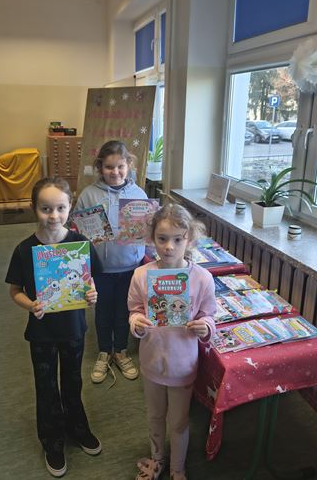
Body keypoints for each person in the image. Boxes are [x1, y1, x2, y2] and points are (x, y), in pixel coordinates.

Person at [5, 177, 102, 478]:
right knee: (46, 387)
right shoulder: (25, 250)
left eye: (60, 208)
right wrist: (29, 304)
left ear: (70, 206)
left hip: (73, 328)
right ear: (34, 208)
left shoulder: (80, 244)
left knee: (73, 381)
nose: (53, 215)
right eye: (45, 208)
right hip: (42, 333)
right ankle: (52, 440)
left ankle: (77, 427)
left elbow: (90, 281)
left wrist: (92, 293)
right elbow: (15, 291)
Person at [128, 203, 216, 480]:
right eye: (162, 238)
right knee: (154, 417)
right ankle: (157, 460)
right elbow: (134, 310)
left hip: (183, 365)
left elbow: (209, 315)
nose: (169, 247)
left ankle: (178, 468)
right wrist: (136, 323)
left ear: (189, 239)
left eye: (178, 239)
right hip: (152, 362)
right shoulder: (142, 275)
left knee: (178, 422)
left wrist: (205, 327)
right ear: (152, 238)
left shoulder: (202, 278)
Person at [74, 140, 148, 384]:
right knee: (103, 311)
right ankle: (104, 351)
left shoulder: (138, 194)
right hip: (101, 268)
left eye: (120, 166)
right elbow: (79, 233)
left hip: (131, 267)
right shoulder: (89, 195)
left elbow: (146, 231)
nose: (115, 172)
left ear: (129, 166)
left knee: (125, 310)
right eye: (109, 167)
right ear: (100, 167)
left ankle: (121, 351)